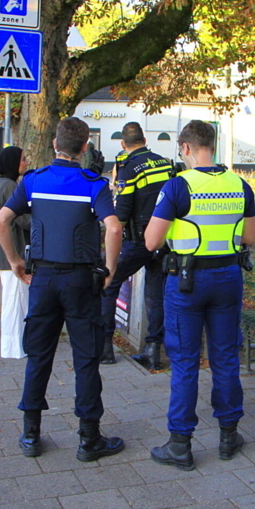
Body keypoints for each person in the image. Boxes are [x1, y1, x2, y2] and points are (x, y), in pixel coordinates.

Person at [0, 117, 125, 462]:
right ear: (84, 148)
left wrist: (14, 261)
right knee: (86, 359)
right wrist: (110, 269)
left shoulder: (33, 181)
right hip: (80, 282)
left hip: (44, 280)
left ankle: (31, 435)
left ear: (55, 144)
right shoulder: (94, 184)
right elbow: (113, 229)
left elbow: (1, 221)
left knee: (39, 356)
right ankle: (89, 439)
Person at [144, 120, 255, 470]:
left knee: (185, 362)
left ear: (186, 148)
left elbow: (151, 241)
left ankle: (180, 444)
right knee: (225, 357)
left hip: (187, 282)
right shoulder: (240, 185)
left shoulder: (178, 186)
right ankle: (228, 436)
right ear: (213, 144)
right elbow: (249, 238)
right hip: (228, 278)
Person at [100, 122, 174, 368]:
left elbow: (121, 214)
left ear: (123, 144)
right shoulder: (165, 163)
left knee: (108, 283)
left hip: (138, 240)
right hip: (163, 238)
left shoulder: (129, 168)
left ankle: (105, 348)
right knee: (155, 292)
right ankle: (153, 350)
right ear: (145, 140)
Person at [0, 146, 29, 359]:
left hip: (4, 252)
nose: (26, 163)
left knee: (14, 298)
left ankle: (16, 344)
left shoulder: (2, 184)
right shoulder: (10, 186)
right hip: (12, 251)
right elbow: (23, 220)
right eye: (23, 159)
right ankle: (15, 347)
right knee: (16, 299)